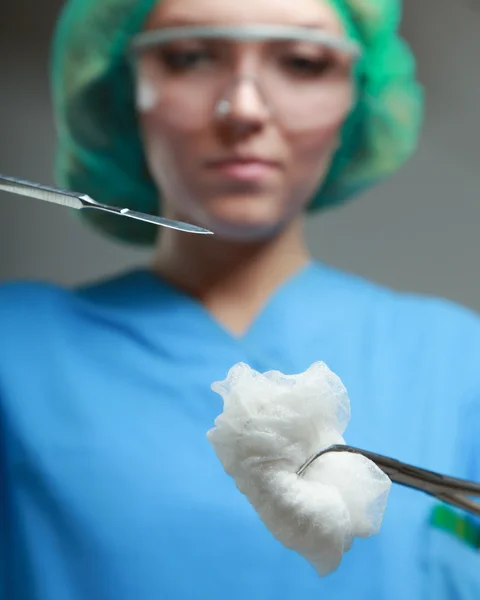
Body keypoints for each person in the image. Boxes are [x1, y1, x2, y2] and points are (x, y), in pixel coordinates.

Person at [0, 0, 478, 598]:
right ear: (124, 91)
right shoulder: (13, 350)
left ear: (358, 96)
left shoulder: (458, 362)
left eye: (302, 62)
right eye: (190, 56)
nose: (244, 109)